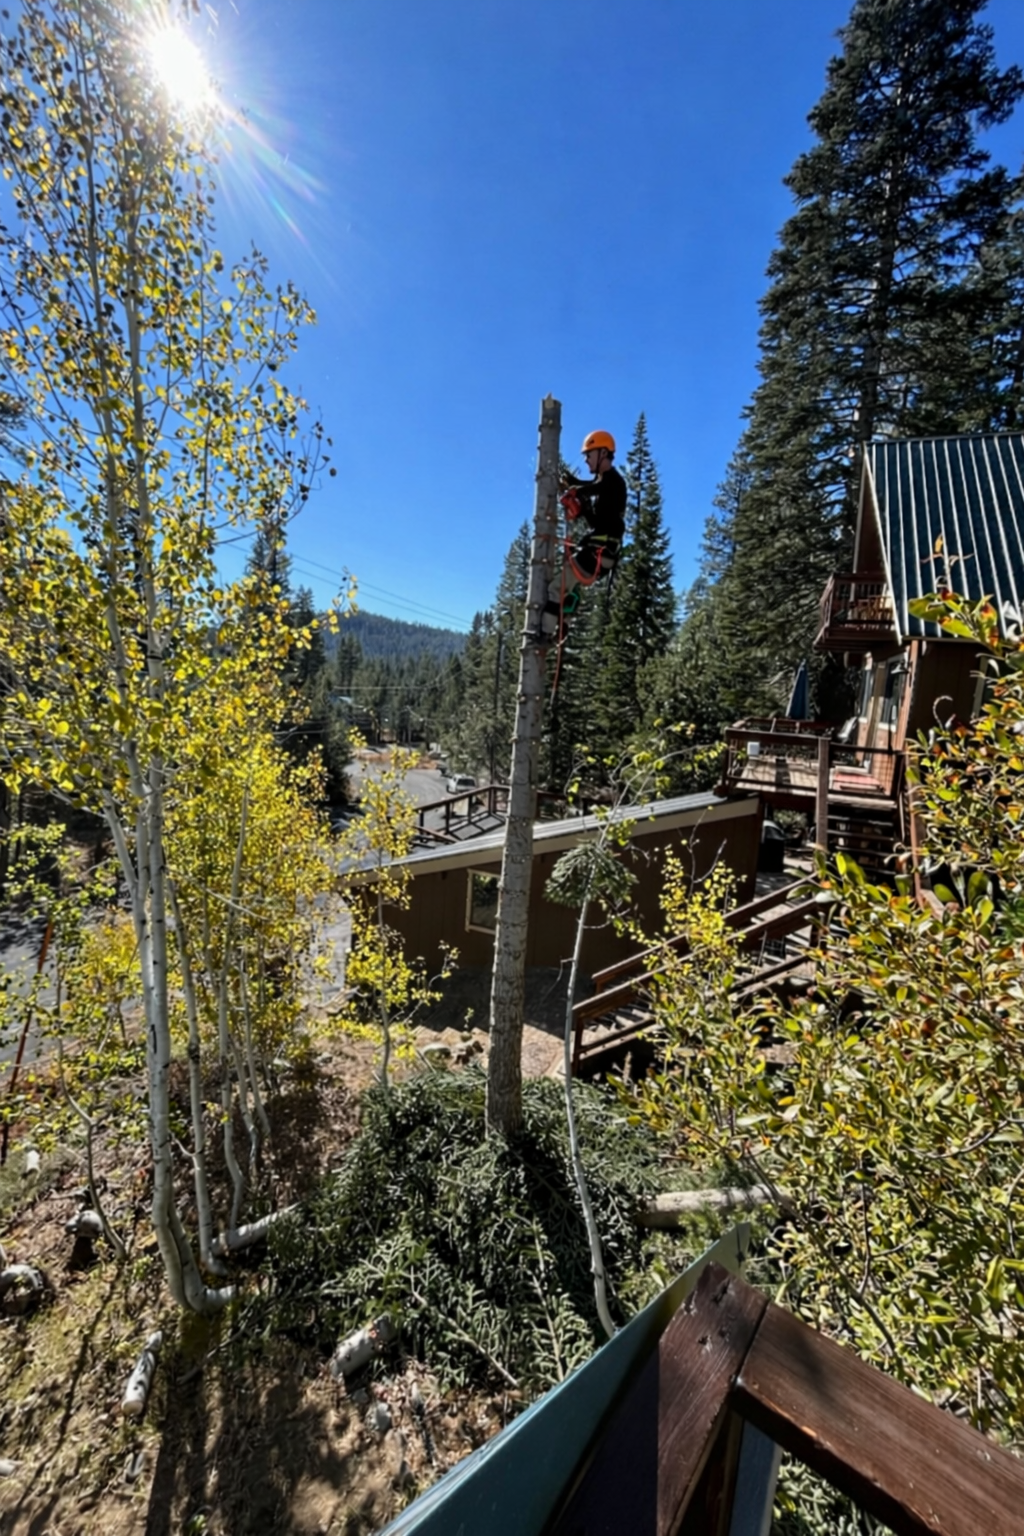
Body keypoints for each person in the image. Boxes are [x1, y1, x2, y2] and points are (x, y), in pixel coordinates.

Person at [536, 429, 626, 643]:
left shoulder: (613, 481)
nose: (586, 460)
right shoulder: (606, 485)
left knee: (557, 587)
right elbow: (597, 520)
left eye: (589, 455)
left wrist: (576, 490)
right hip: (600, 555)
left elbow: (594, 488)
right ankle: (563, 625)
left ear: (603, 453)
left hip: (597, 553)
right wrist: (582, 502)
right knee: (570, 586)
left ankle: (543, 635)